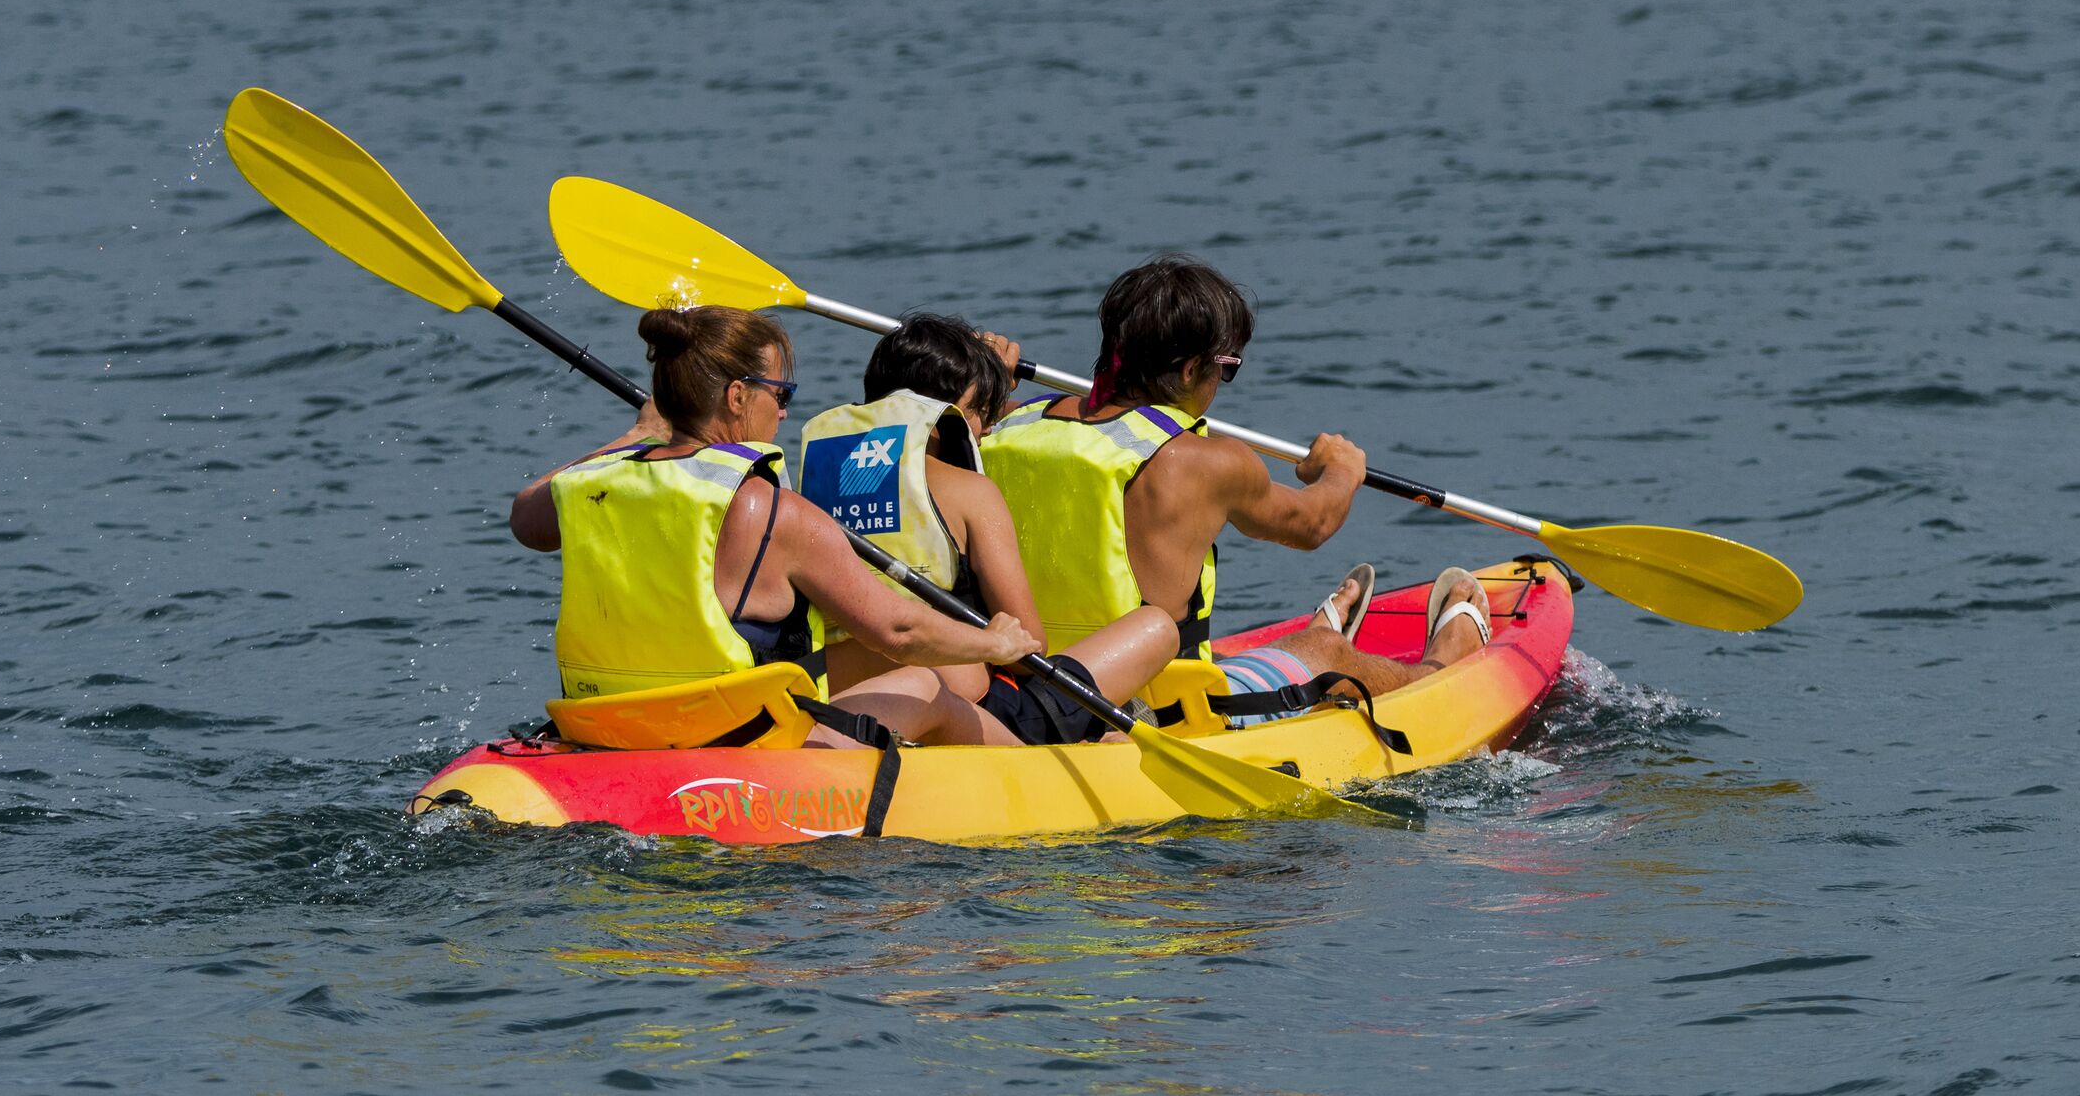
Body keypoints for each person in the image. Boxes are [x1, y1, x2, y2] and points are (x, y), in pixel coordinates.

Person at [983, 254, 1491, 718]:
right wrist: (1342, 470)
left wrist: (983, 383)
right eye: (1226, 369)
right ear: (1187, 370)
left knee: (1230, 653)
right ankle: (1440, 670)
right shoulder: (1202, 461)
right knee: (1330, 658)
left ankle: (1306, 642)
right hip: (1151, 709)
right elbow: (1311, 523)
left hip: (1021, 678)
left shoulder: (1000, 423)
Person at [507, 306, 1036, 748]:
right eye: (780, 395)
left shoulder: (590, 485)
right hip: (729, 738)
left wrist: (636, 435)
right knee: (925, 681)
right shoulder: (776, 511)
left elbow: (525, 519)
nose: (784, 414)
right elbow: (898, 631)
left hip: (605, 728)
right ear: (737, 397)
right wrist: (991, 643)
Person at [793, 313, 1190, 747]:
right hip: (979, 709)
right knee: (1156, 627)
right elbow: (1027, 651)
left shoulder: (807, 494)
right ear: (945, 414)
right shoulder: (968, 492)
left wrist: (986, 384)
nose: (983, 432)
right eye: (979, 413)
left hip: (853, 700)